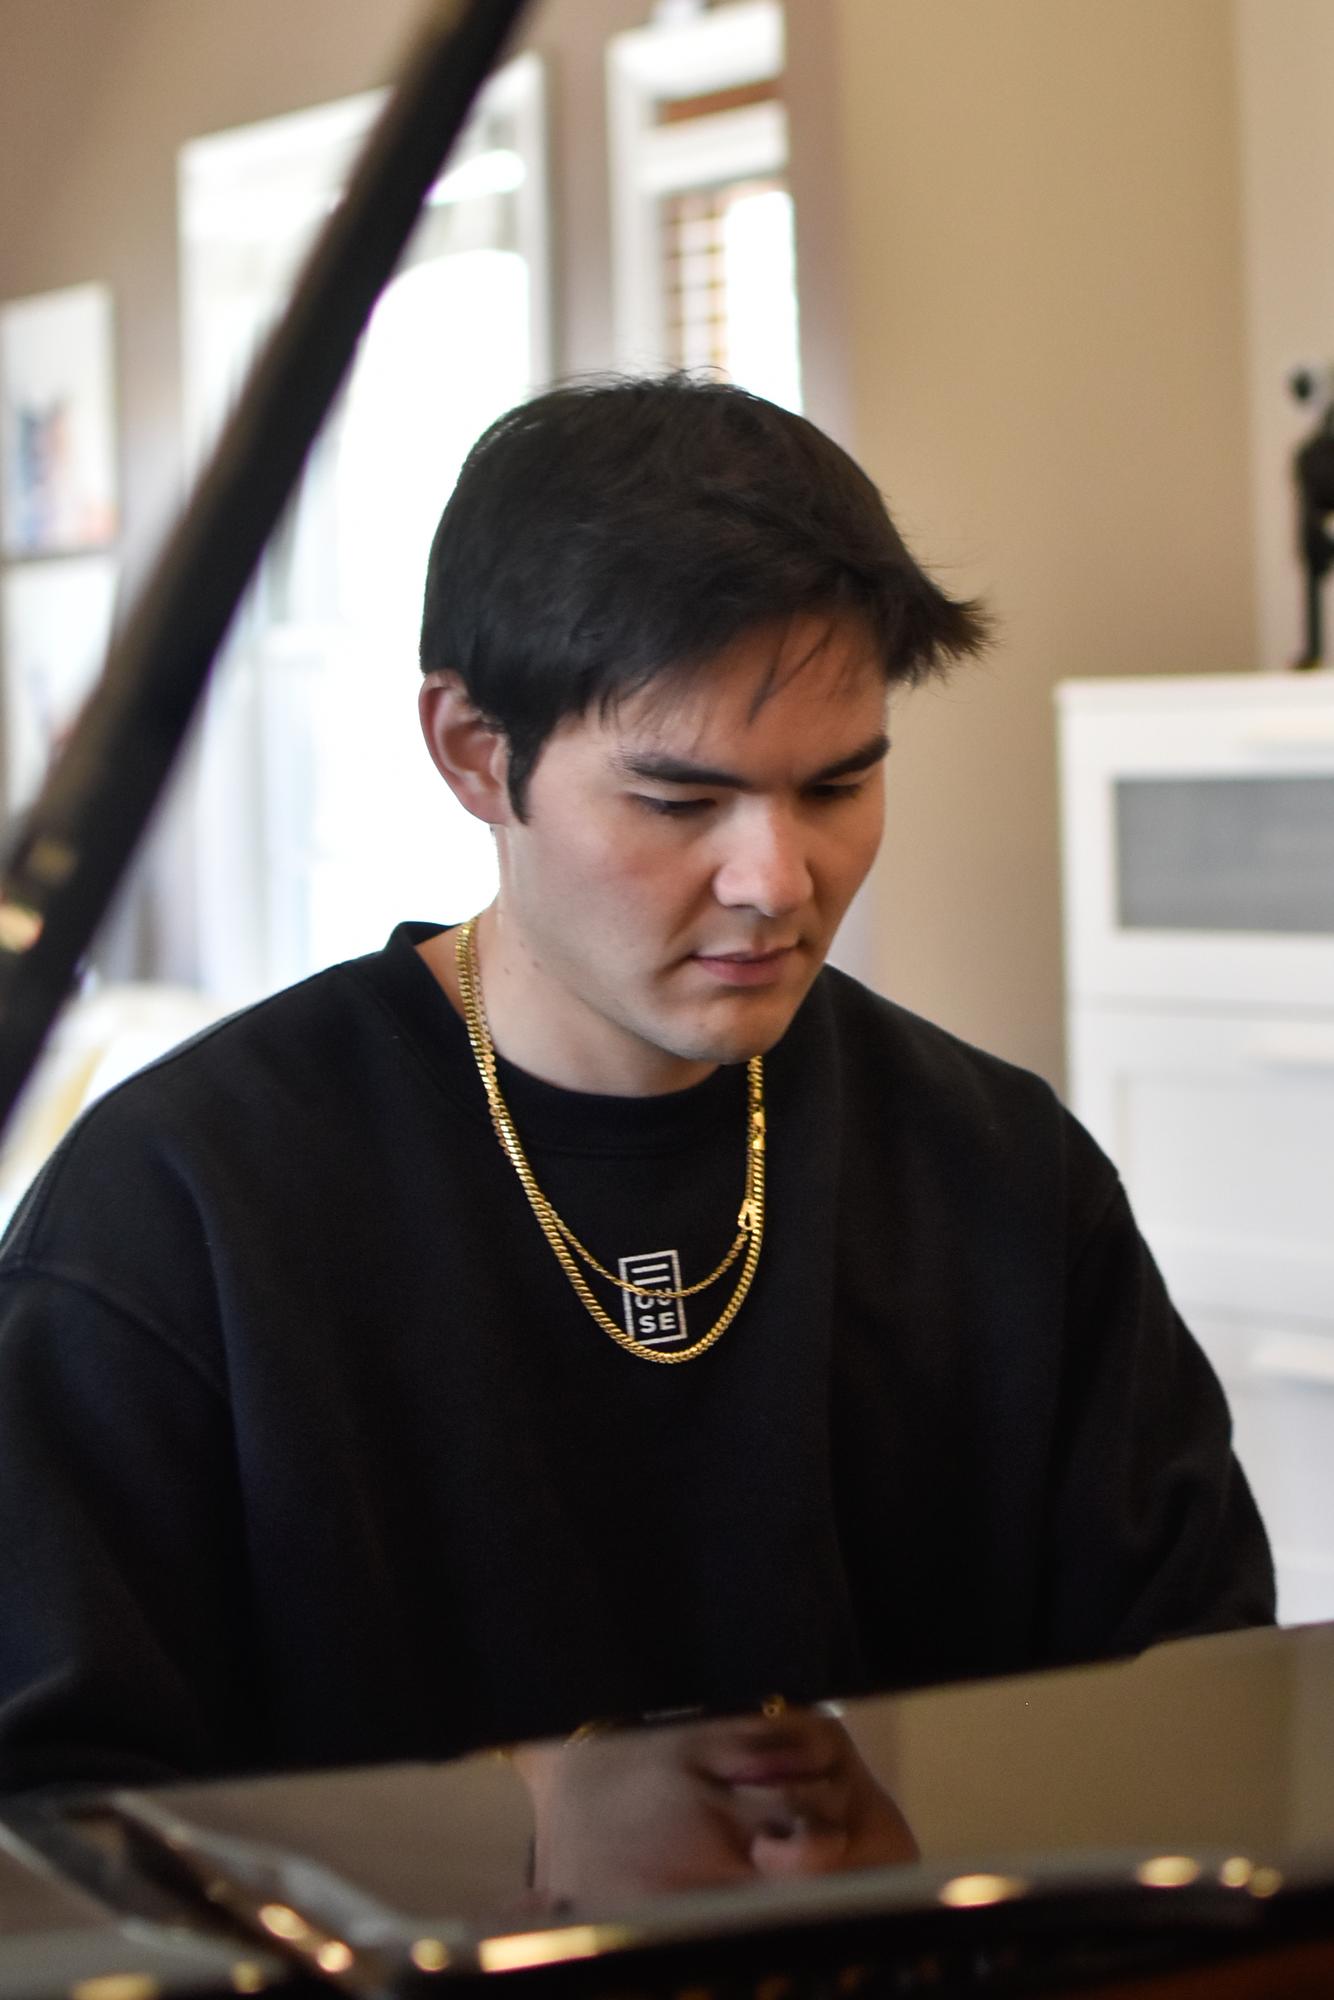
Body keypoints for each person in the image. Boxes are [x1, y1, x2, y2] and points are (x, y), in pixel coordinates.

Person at [0, 375, 1273, 1795]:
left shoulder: (1000, 1175)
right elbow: (55, 1843)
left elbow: (1198, 1714)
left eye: (837, 788)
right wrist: (509, 1844)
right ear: (477, 755)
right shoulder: (178, 1216)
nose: (774, 881)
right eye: (679, 802)